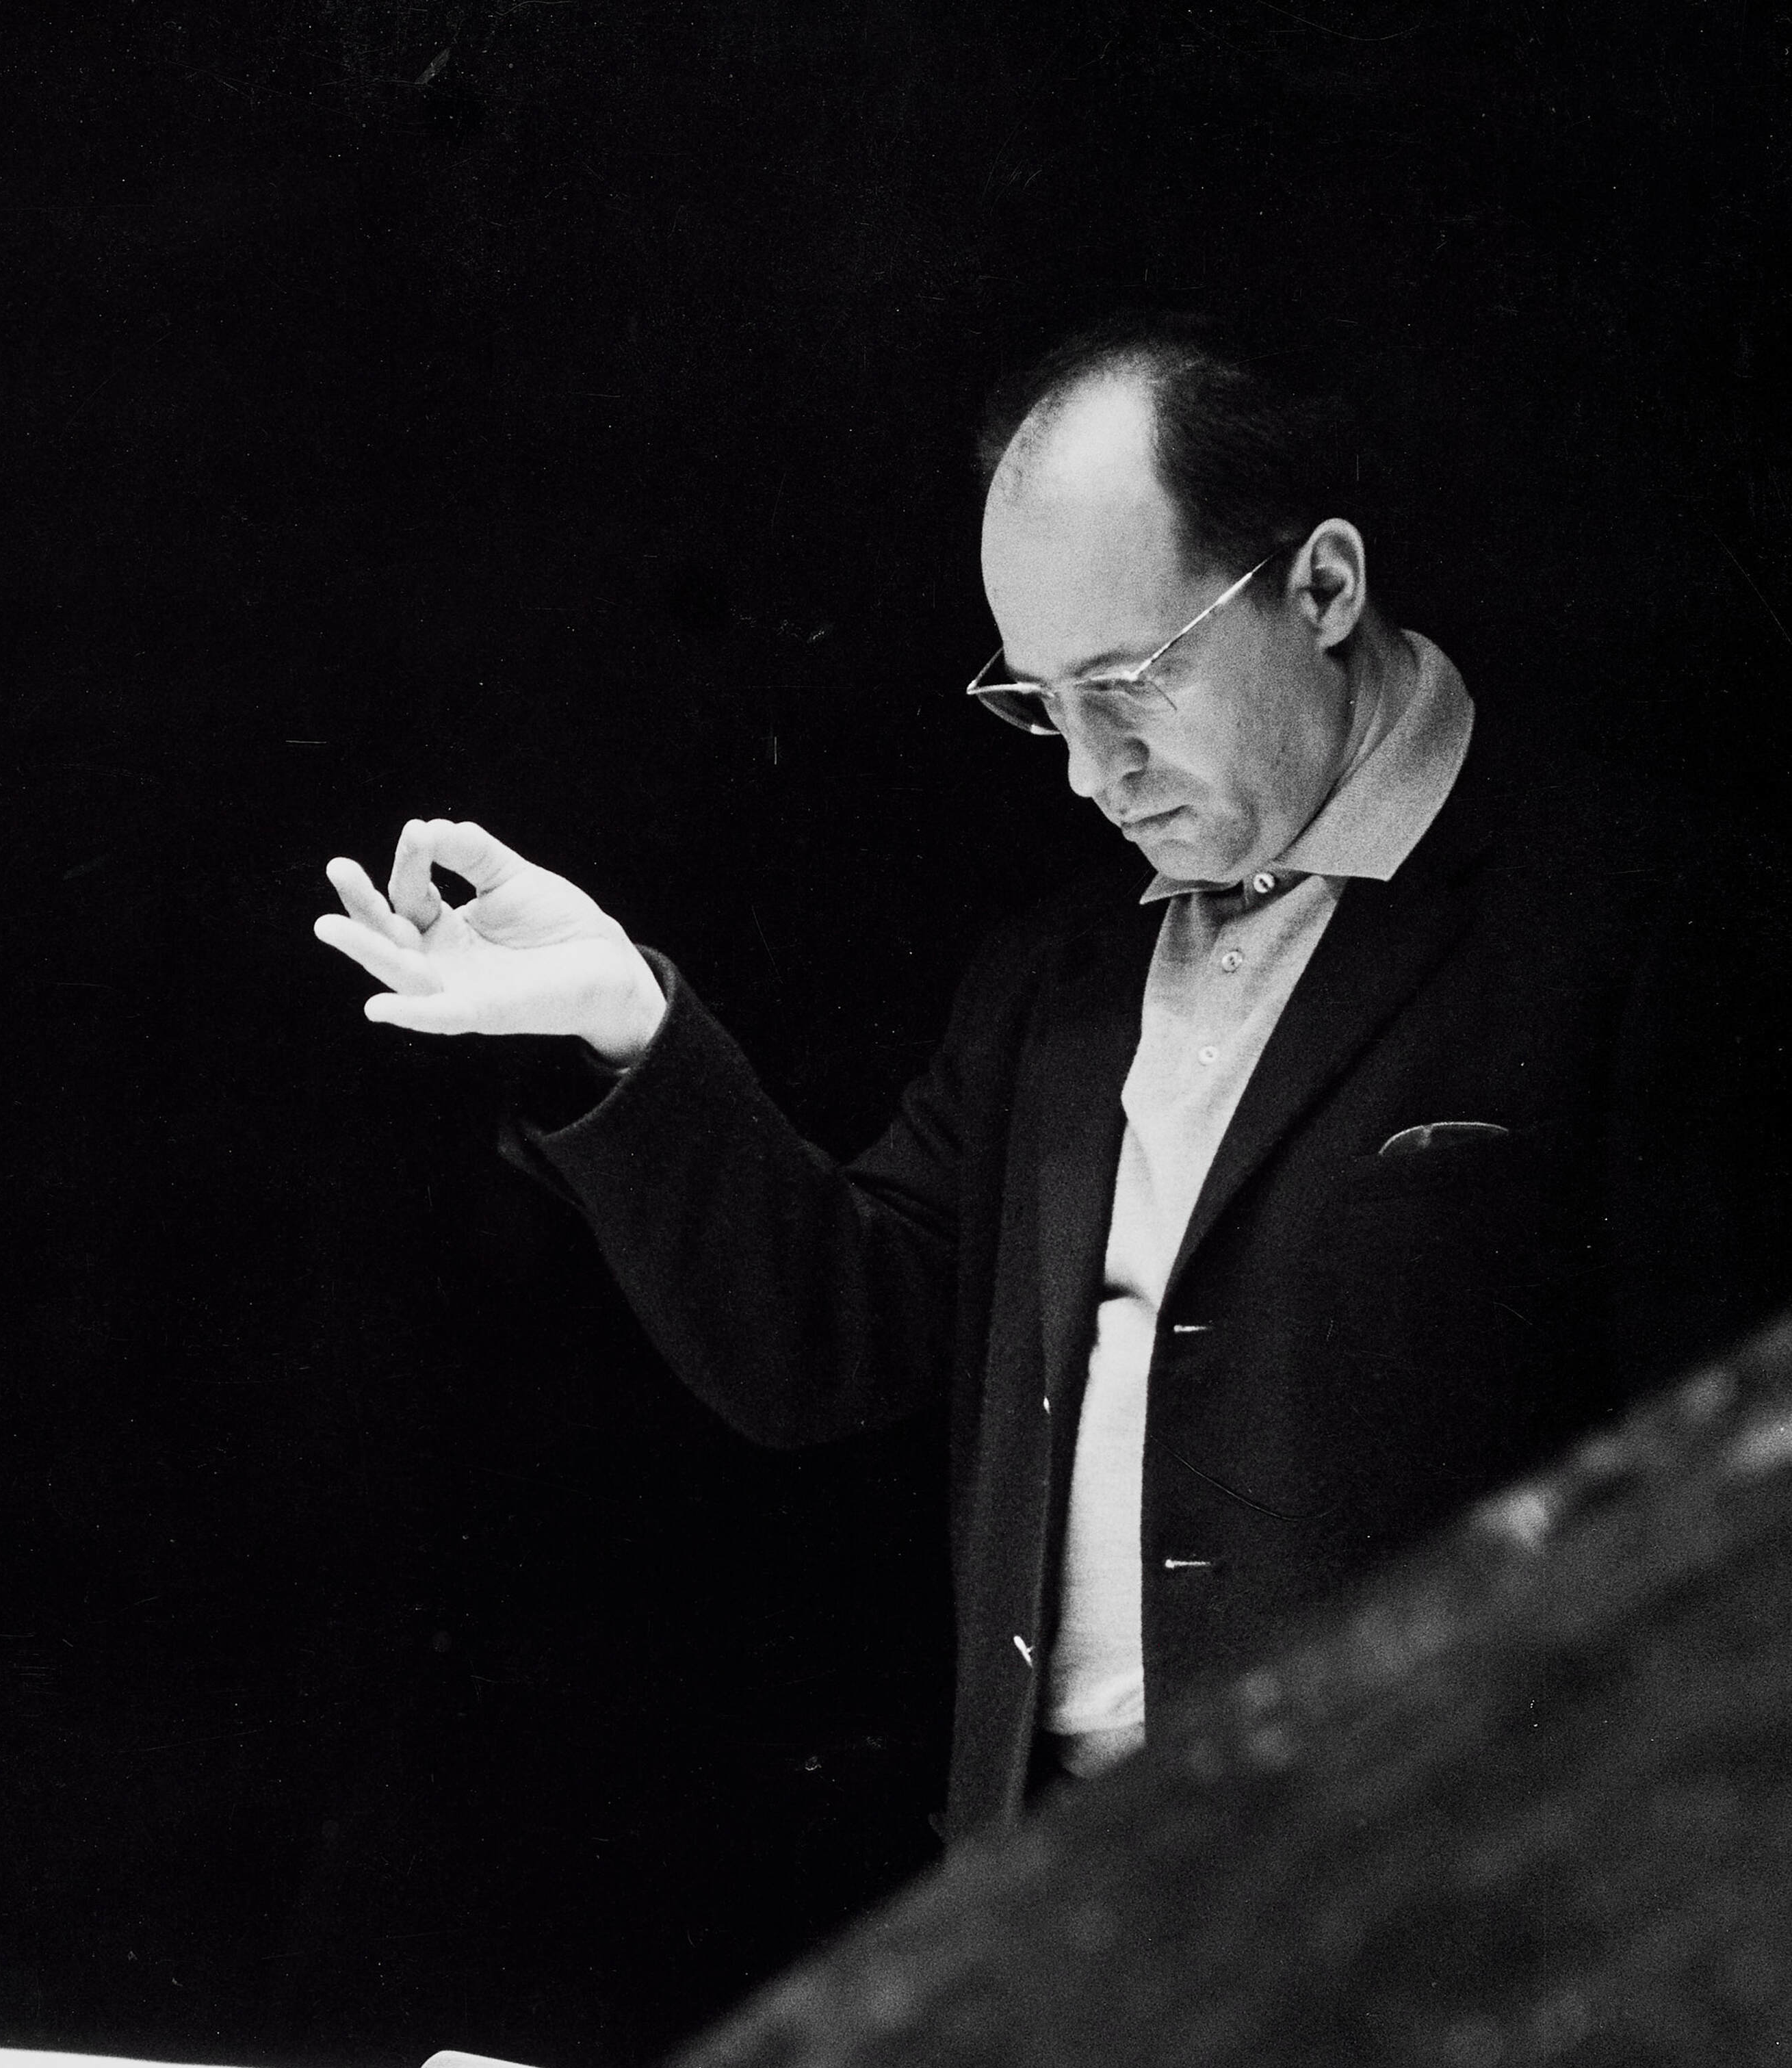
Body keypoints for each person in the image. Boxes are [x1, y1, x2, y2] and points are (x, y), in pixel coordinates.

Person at [313, 311, 1789, 1847]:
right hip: (1060, 1919)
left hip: (1434, 1924)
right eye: (1039, 704)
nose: (1088, 772)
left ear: (1324, 586)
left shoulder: (1645, 925)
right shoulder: (1056, 977)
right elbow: (826, 1340)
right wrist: (623, 1019)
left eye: (1128, 684)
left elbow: (1733, 1520)